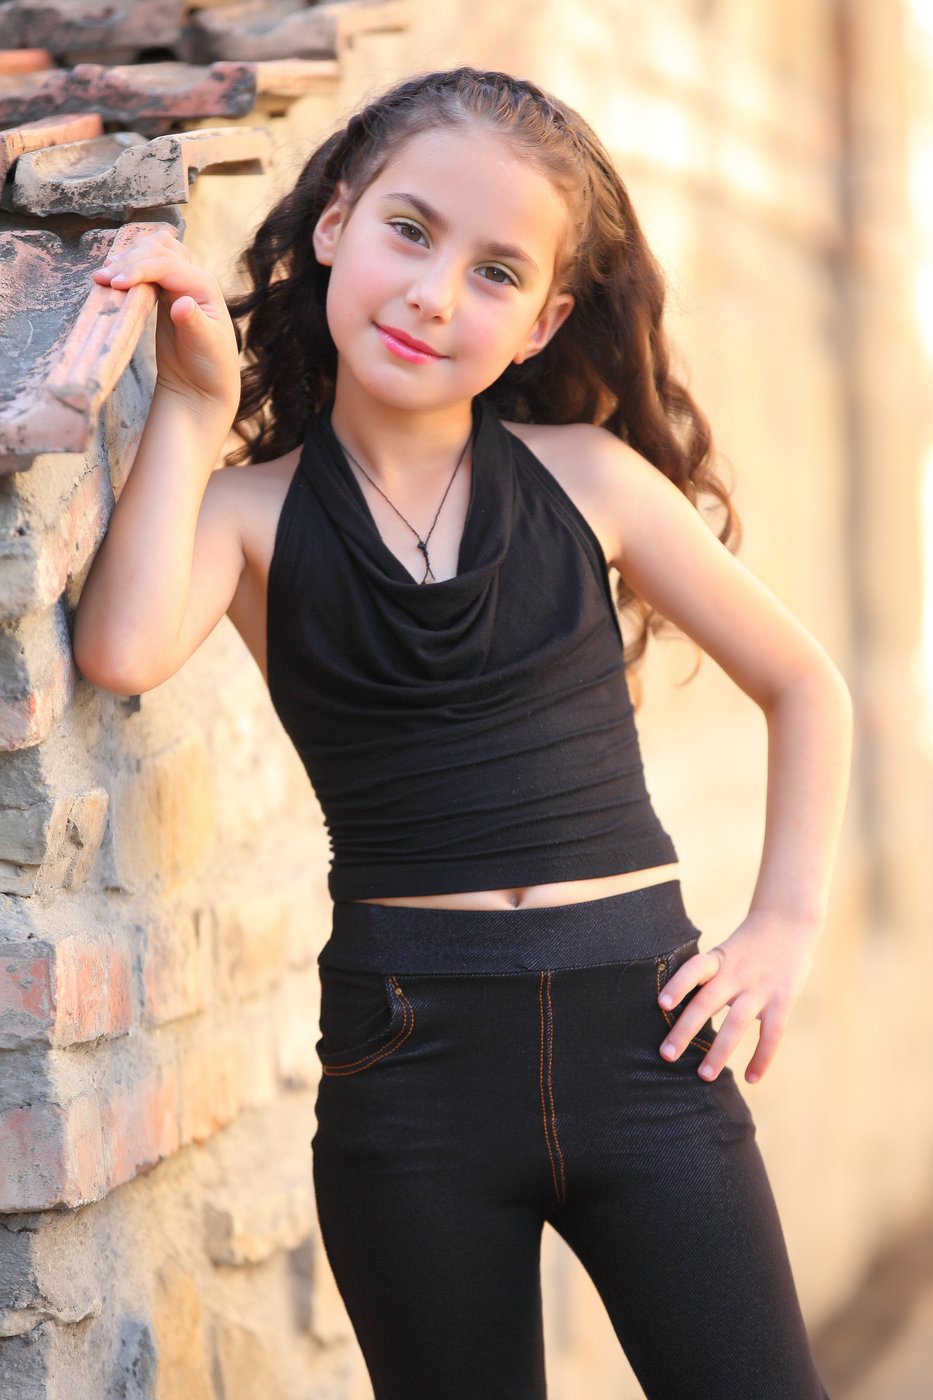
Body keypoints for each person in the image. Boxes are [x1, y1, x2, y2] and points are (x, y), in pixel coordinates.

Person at [73, 66, 850, 1400]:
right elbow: (122, 650)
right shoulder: (254, 516)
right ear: (334, 222)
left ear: (541, 324)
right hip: (411, 1061)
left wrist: (780, 928)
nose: (436, 293)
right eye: (411, 231)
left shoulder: (592, 480)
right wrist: (194, 412)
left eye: (495, 273)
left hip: (645, 1038)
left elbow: (803, 684)